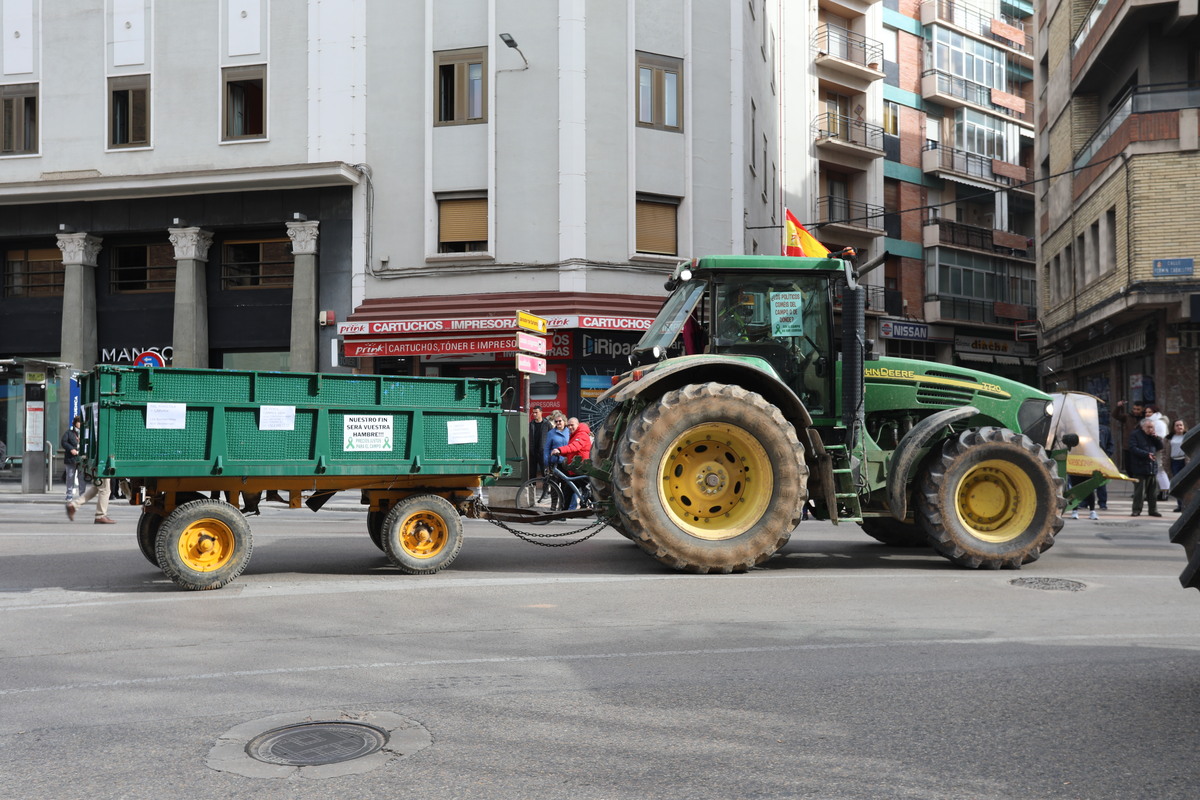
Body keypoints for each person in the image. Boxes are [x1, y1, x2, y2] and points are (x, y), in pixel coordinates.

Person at [552, 417, 593, 510]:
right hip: (575, 469)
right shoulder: (574, 434)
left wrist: (559, 449)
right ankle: (563, 513)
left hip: (581, 468)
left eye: (572, 425)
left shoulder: (581, 434)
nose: (570, 427)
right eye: (568, 425)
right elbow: (571, 451)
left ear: (578, 425)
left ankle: (603, 512)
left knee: (589, 493)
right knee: (568, 492)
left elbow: (575, 446)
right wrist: (561, 452)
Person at [1127, 417, 1163, 517]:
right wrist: (1146, 454)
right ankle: (1136, 510)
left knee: (1153, 492)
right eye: (1148, 427)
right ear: (1143, 427)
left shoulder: (1153, 436)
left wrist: (1156, 438)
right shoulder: (1135, 434)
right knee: (1139, 492)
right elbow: (1133, 448)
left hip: (1152, 467)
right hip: (1139, 467)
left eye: (1152, 427)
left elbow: (1160, 447)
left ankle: (1153, 510)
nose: (1151, 429)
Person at [1168, 419, 1189, 512]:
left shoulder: (1187, 436)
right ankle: (1180, 505)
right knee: (1177, 484)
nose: (1179, 427)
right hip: (1174, 461)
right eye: (1177, 425)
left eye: (1181, 425)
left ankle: (1186, 504)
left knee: (1186, 484)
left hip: (1185, 461)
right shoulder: (1170, 438)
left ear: (1184, 426)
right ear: (1173, 427)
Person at [61, 416, 84, 502]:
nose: (80, 424)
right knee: (70, 476)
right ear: (75, 423)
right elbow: (63, 442)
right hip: (71, 458)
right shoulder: (69, 433)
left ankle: (82, 494)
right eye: (79, 422)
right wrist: (71, 449)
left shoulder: (85, 432)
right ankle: (69, 494)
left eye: (81, 422)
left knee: (81, 477)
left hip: (81, 458)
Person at [528, 406, 551, 479]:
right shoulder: (531, 424)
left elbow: (551, 436)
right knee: (532, 473)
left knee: (544, 473)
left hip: (543, 452)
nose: (534, 414)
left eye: (536, 412)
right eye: (533, 412)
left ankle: (546, 489)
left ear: (541, 413)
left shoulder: (547, 424)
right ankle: (532, 489)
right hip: (533, 451)